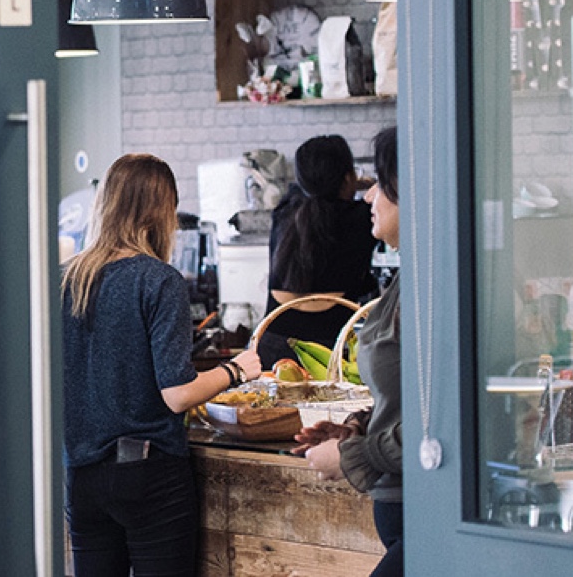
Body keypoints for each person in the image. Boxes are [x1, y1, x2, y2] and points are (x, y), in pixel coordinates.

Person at [62, 154, 261, 577]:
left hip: (82, 476)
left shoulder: (67, 279)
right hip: (149, 475)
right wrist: (239, 369)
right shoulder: (158, 279)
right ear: (161, 210)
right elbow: (178, 394)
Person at [296, 126, 402, 577]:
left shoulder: (438, 284)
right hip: (401, 508)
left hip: (427, 509)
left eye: (379, 184)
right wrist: (353, 428)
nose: (367, 196)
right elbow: (405, 403)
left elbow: (444, 426)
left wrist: (350, 455)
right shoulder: (408, 278)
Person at [259, 134, 380, 368]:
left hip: (271, 345)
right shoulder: (362, 218)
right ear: (347, 178)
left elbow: (300, 191)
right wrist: (364, 182)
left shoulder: (284, 213)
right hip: (326, 350)